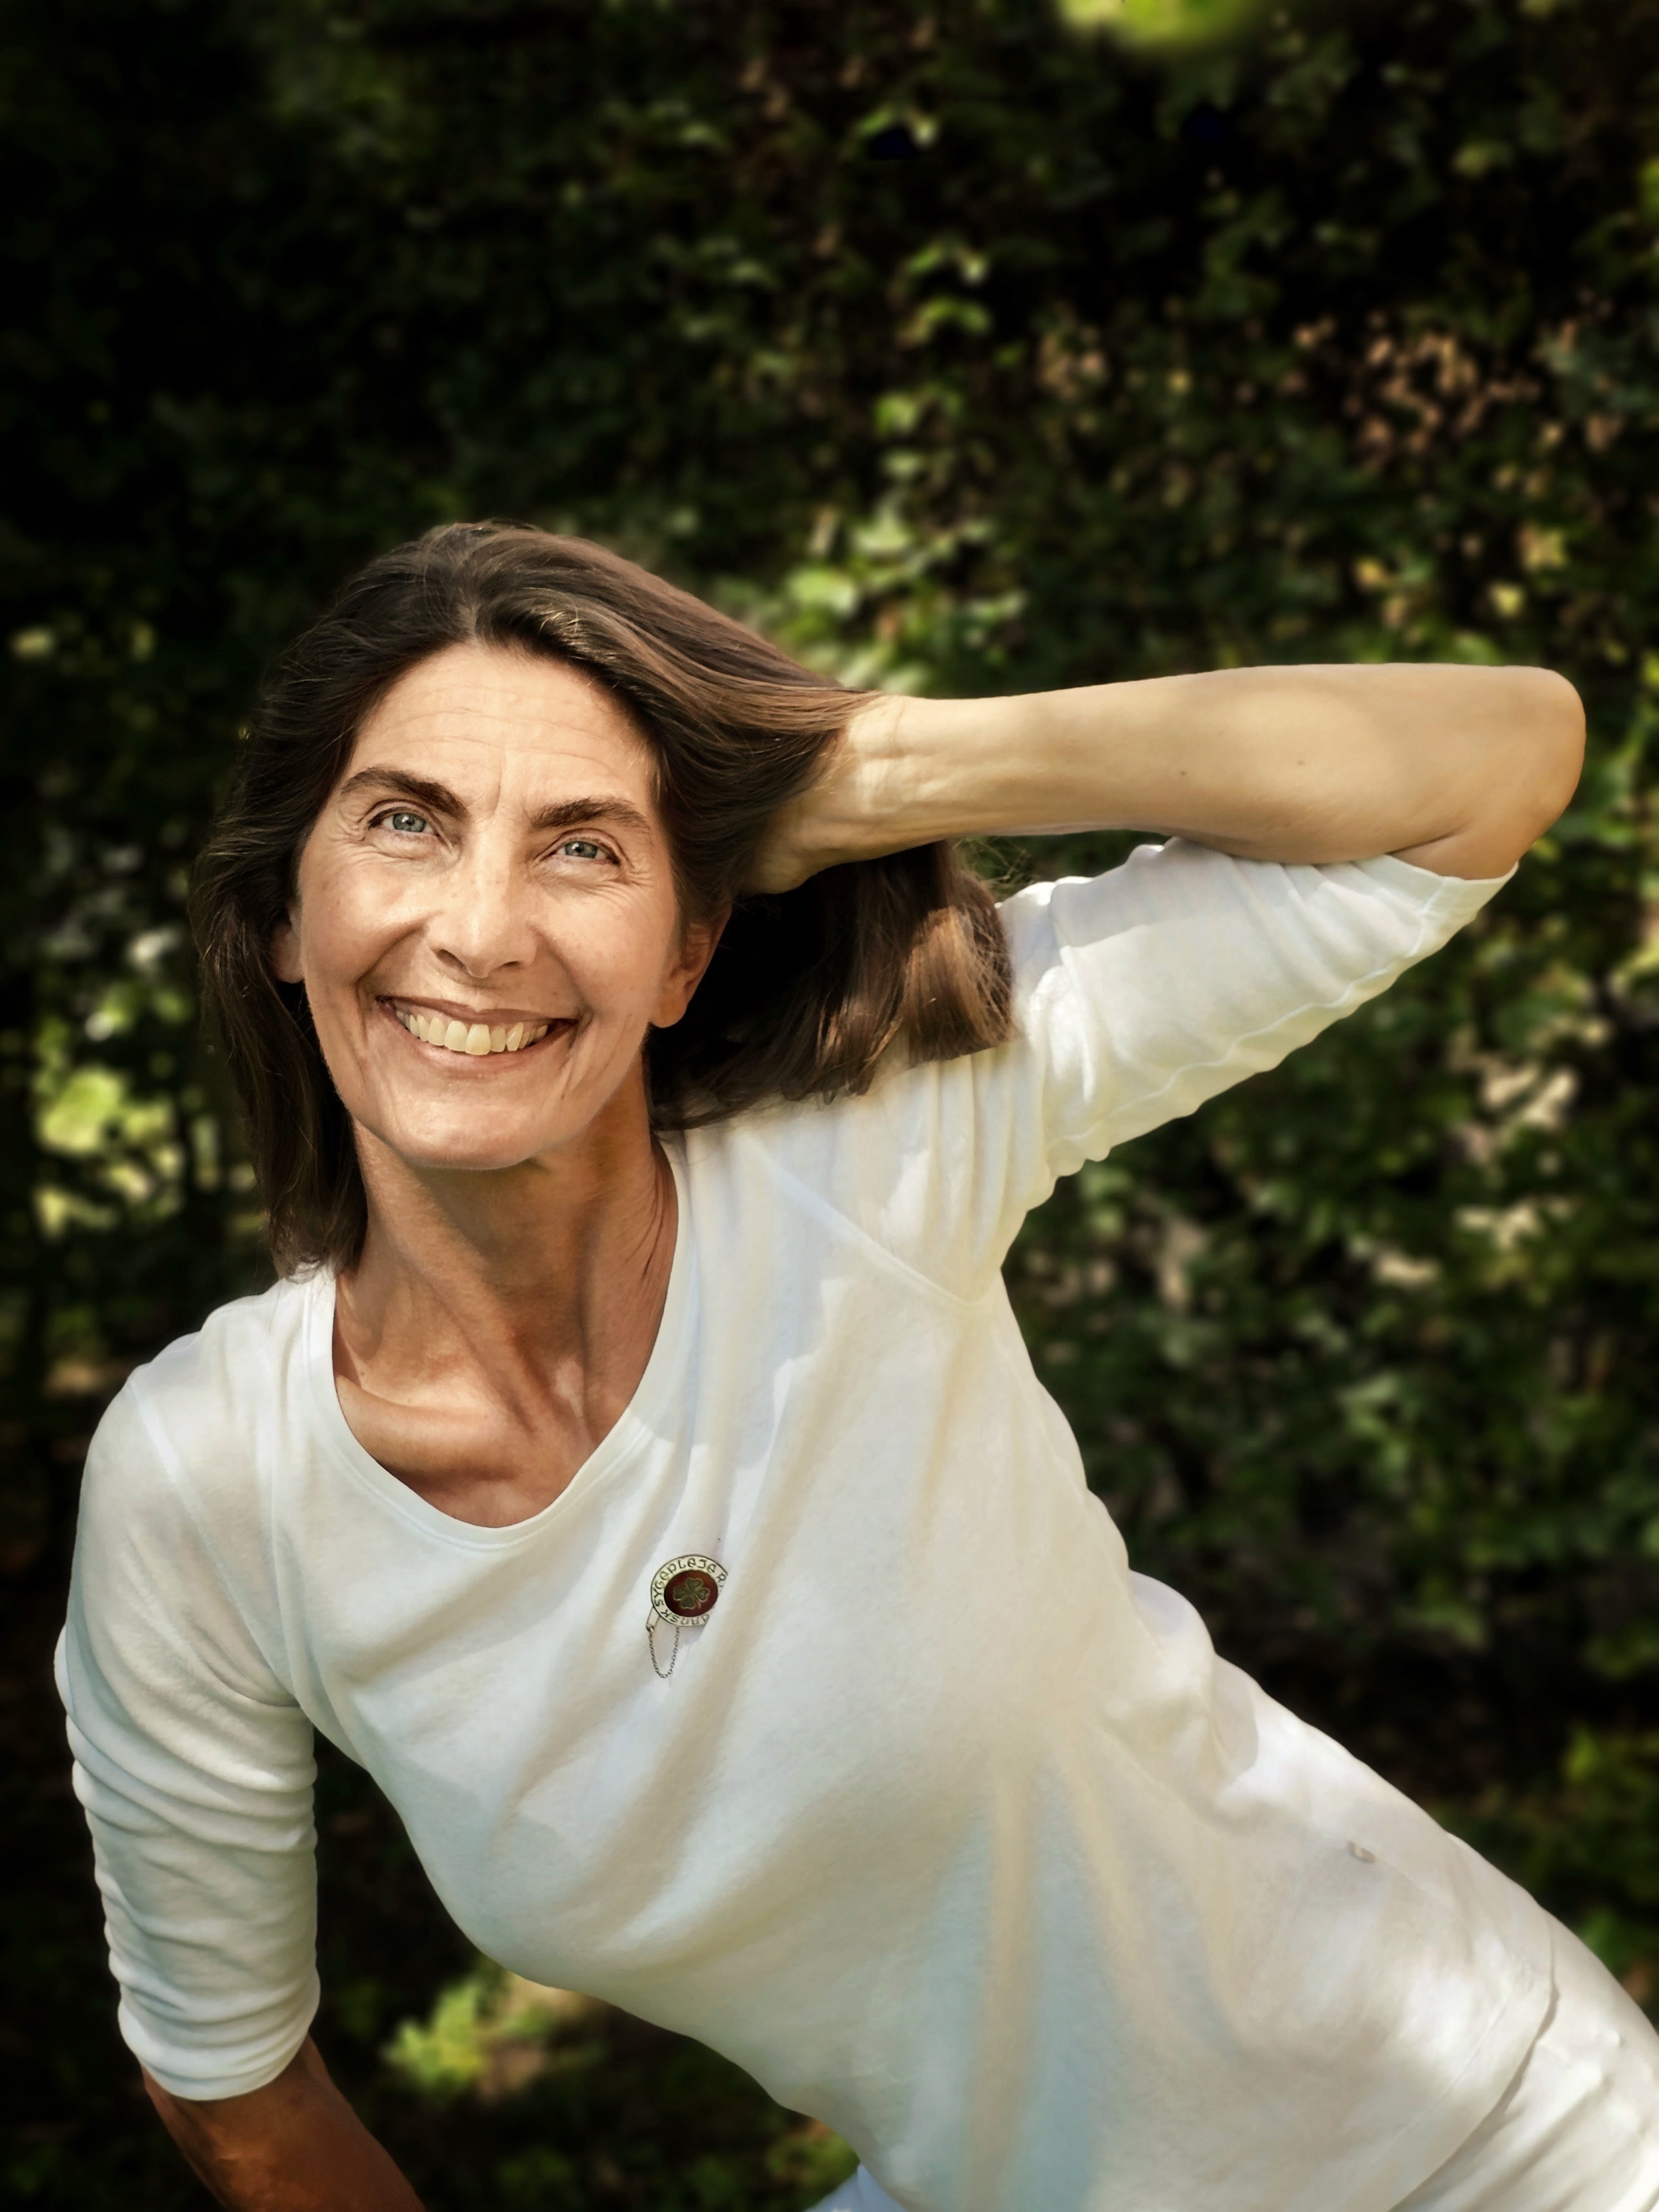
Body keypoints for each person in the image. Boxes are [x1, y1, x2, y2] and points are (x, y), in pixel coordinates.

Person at [55, 521, 1649, 2212]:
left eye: (585, 847)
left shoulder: (868, 1146)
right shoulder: (210, 1489)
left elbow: (1501, 759)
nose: (483, 929)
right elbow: (231, 2081)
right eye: (405, 823)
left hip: (1493, 2148)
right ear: (287, 914)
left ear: (685, 953)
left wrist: (872, 768)